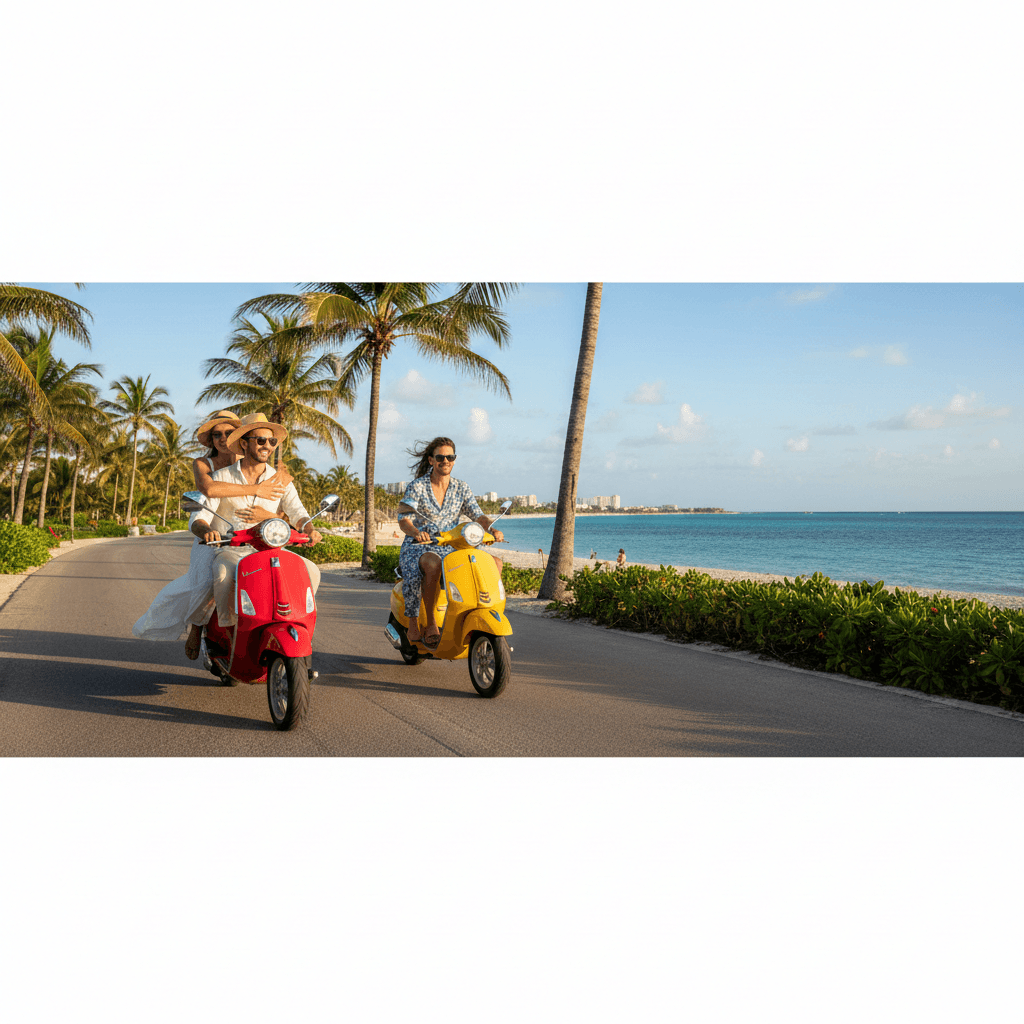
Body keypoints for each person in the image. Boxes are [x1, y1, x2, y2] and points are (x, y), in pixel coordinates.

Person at [132, 411, 289, 659]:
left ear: (241, 438)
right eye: (217, 435)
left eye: (229, 433)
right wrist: (257, 488)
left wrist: (278, 519)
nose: (223, 438)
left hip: (250, 539)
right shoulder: (204, 464)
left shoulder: (255, 462)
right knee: (208, 583)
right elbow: (209, 488)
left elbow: (282, 503)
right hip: (213, 537)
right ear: (211, 440)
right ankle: (196, 629)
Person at [191, 413, 323, 630]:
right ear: (244, 443)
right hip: (232, 551)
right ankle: (227, 627)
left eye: (272, 441)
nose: (267, 446)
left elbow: (298, 512)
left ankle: (298, 622)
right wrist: (206, 530)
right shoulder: (221, 477)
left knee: (311, 571)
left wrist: (310, 529)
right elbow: (200, 517)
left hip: (271, 551)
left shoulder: (280, 480)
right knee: (223, 574)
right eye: (260, 440)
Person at [396, 437, 504, 649]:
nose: (445, 461)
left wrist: (491, 529)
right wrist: (417, 533)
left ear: (454, 460)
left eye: (450, 457)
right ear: (431, 460)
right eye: (440, 457)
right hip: (421, 545)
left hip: (453, 544)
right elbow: (404, 519)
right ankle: (429, 624)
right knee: (433, 564)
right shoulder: (417, 486)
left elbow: (477, 515)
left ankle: (481, 614)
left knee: (495, 563)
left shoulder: (461, 487)